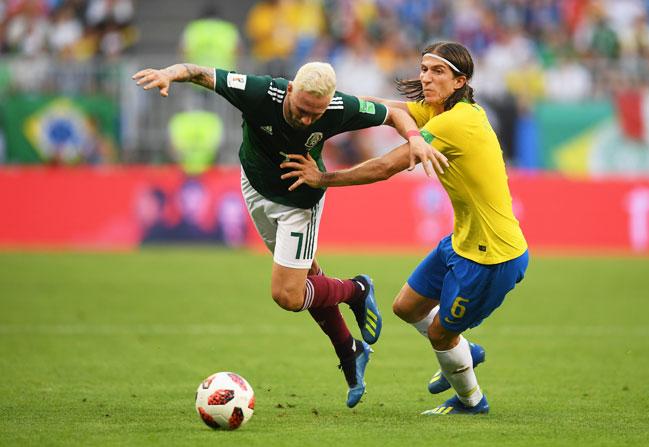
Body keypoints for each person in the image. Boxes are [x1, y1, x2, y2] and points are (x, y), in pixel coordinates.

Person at [132, 60, 448, 408]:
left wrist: (415, 139)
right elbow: (199, 72)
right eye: (302, 111)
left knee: (288, 294)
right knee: (305, 276)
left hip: (300, 202)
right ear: (292, 90)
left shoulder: (339, 107)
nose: (309, 120)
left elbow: (395, 114)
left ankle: (357, 290)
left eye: (317, 114)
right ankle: (350, 350)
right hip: (254, 188)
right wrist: (167, 74)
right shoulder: (258, 92)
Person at [281, 41, 529, 415]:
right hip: (462, 242)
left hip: (492, 256)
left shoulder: (456, 122)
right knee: (406, 306)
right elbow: (385, 108)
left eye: (438, 72)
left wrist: (322, 178)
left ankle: (471, 401)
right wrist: (333, 100)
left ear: (460, 81)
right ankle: (465, 351)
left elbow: (385, 167)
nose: (426, 77)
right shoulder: (440, 111)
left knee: (440, 334)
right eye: (425, 69)